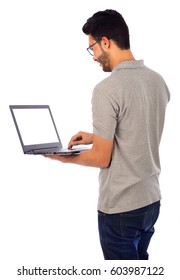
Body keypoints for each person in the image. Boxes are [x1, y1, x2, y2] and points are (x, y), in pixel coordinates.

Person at [44, 9, 170, 260]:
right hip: (151, 202)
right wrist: (95, 135)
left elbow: (102, 158)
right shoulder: (158, 81)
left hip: (120, 209)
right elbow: (139, 125)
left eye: (92, 48)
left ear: (105, 42)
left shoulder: (107, 89)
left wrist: (63, 157)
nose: (93, 57)